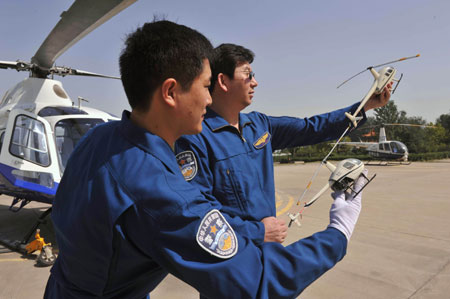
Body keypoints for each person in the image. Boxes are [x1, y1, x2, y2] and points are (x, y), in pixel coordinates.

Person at [45, 21, 366, 299]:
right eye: (203, 86)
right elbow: (256, 283)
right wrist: (338, 231)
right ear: (170, 92)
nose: (209, 98)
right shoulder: (160, 190)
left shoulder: (97, 138)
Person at [175, 43, 391, 244]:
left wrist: (366, 106)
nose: (255, 82)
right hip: (234, 254)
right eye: (248, 75)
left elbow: (312, 127)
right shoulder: (195, 139)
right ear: (223, 81)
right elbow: (197, 214)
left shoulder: (260, 125)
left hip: (270, 246)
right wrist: (257, 232)